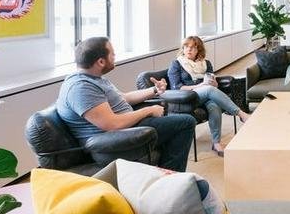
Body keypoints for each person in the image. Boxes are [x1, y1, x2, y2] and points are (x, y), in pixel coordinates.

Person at [56, 37, 196, 172]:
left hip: (127, 127)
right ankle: (169, 178)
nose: (115, 55)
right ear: (100, 62)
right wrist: (148, 110)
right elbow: (112, 124)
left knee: (174, 122)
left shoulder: (94, 79)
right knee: (186, 122)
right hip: (114, 140)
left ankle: (162, 174)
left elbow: (124, 98)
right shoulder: (81, 88)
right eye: (112, 53)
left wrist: (154, 90)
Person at [168, 36, 251, 157]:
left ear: (198, 50)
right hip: (187, 97)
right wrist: (202, 85)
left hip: (206, 94)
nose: (189, 50)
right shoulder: (177, 64)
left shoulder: (206, 64)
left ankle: (216, 143)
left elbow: (214, 83)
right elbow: (176, 88)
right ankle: (241, 114)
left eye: (192, 47)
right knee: (208, 90)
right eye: (186, 47)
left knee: (214, 105)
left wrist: (214, 83)